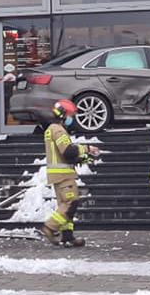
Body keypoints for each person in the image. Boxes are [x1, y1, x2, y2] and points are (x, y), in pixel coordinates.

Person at [39, 99, 99, 247]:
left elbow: (65, 155)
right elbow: (68, 151)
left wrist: (82, 158)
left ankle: (67, 236)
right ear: (63, 115)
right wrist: (87, 149)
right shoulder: (58, 130)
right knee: (71, 202)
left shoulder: (51, 129)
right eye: (71, 115)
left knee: (65, 205)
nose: (72, 119)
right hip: (63, 174)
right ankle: (50, 227)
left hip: (58, 173)